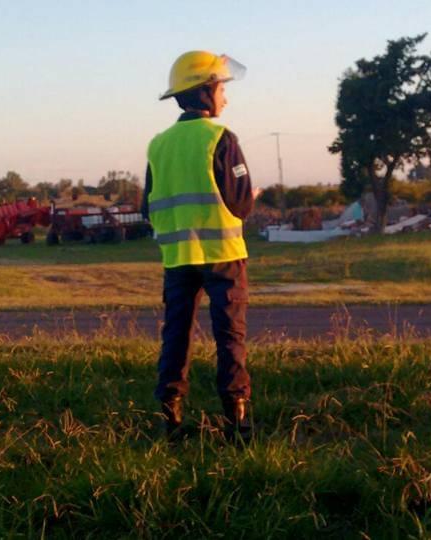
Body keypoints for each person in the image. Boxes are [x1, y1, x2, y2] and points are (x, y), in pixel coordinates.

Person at [142, 50, 255, 442]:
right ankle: (237, 420)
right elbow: (240, 203)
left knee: (176, 334)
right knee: (230, 337)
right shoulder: (221, 138)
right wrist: (249, 198)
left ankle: (171, 416)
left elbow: (147, 207)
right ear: (206, 91)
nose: (225, 97)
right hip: (224, 257)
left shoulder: (158, 145)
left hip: (178, 259)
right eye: (221, 88)